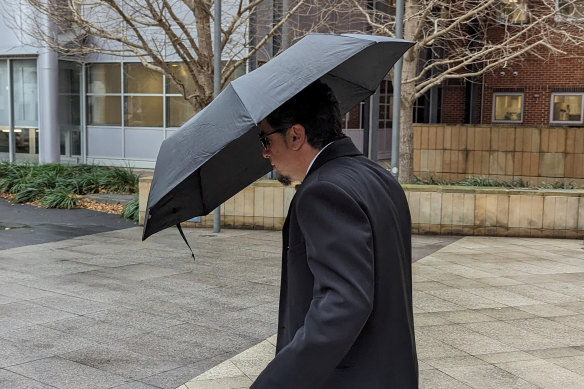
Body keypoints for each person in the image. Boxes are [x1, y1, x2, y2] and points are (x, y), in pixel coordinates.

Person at [251, 80, 418, 388]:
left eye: (265, 138)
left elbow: (343, 303)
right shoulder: (377, 176)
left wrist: (276, 381)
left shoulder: (322, 191)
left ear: (296, 135)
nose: (264, 152)